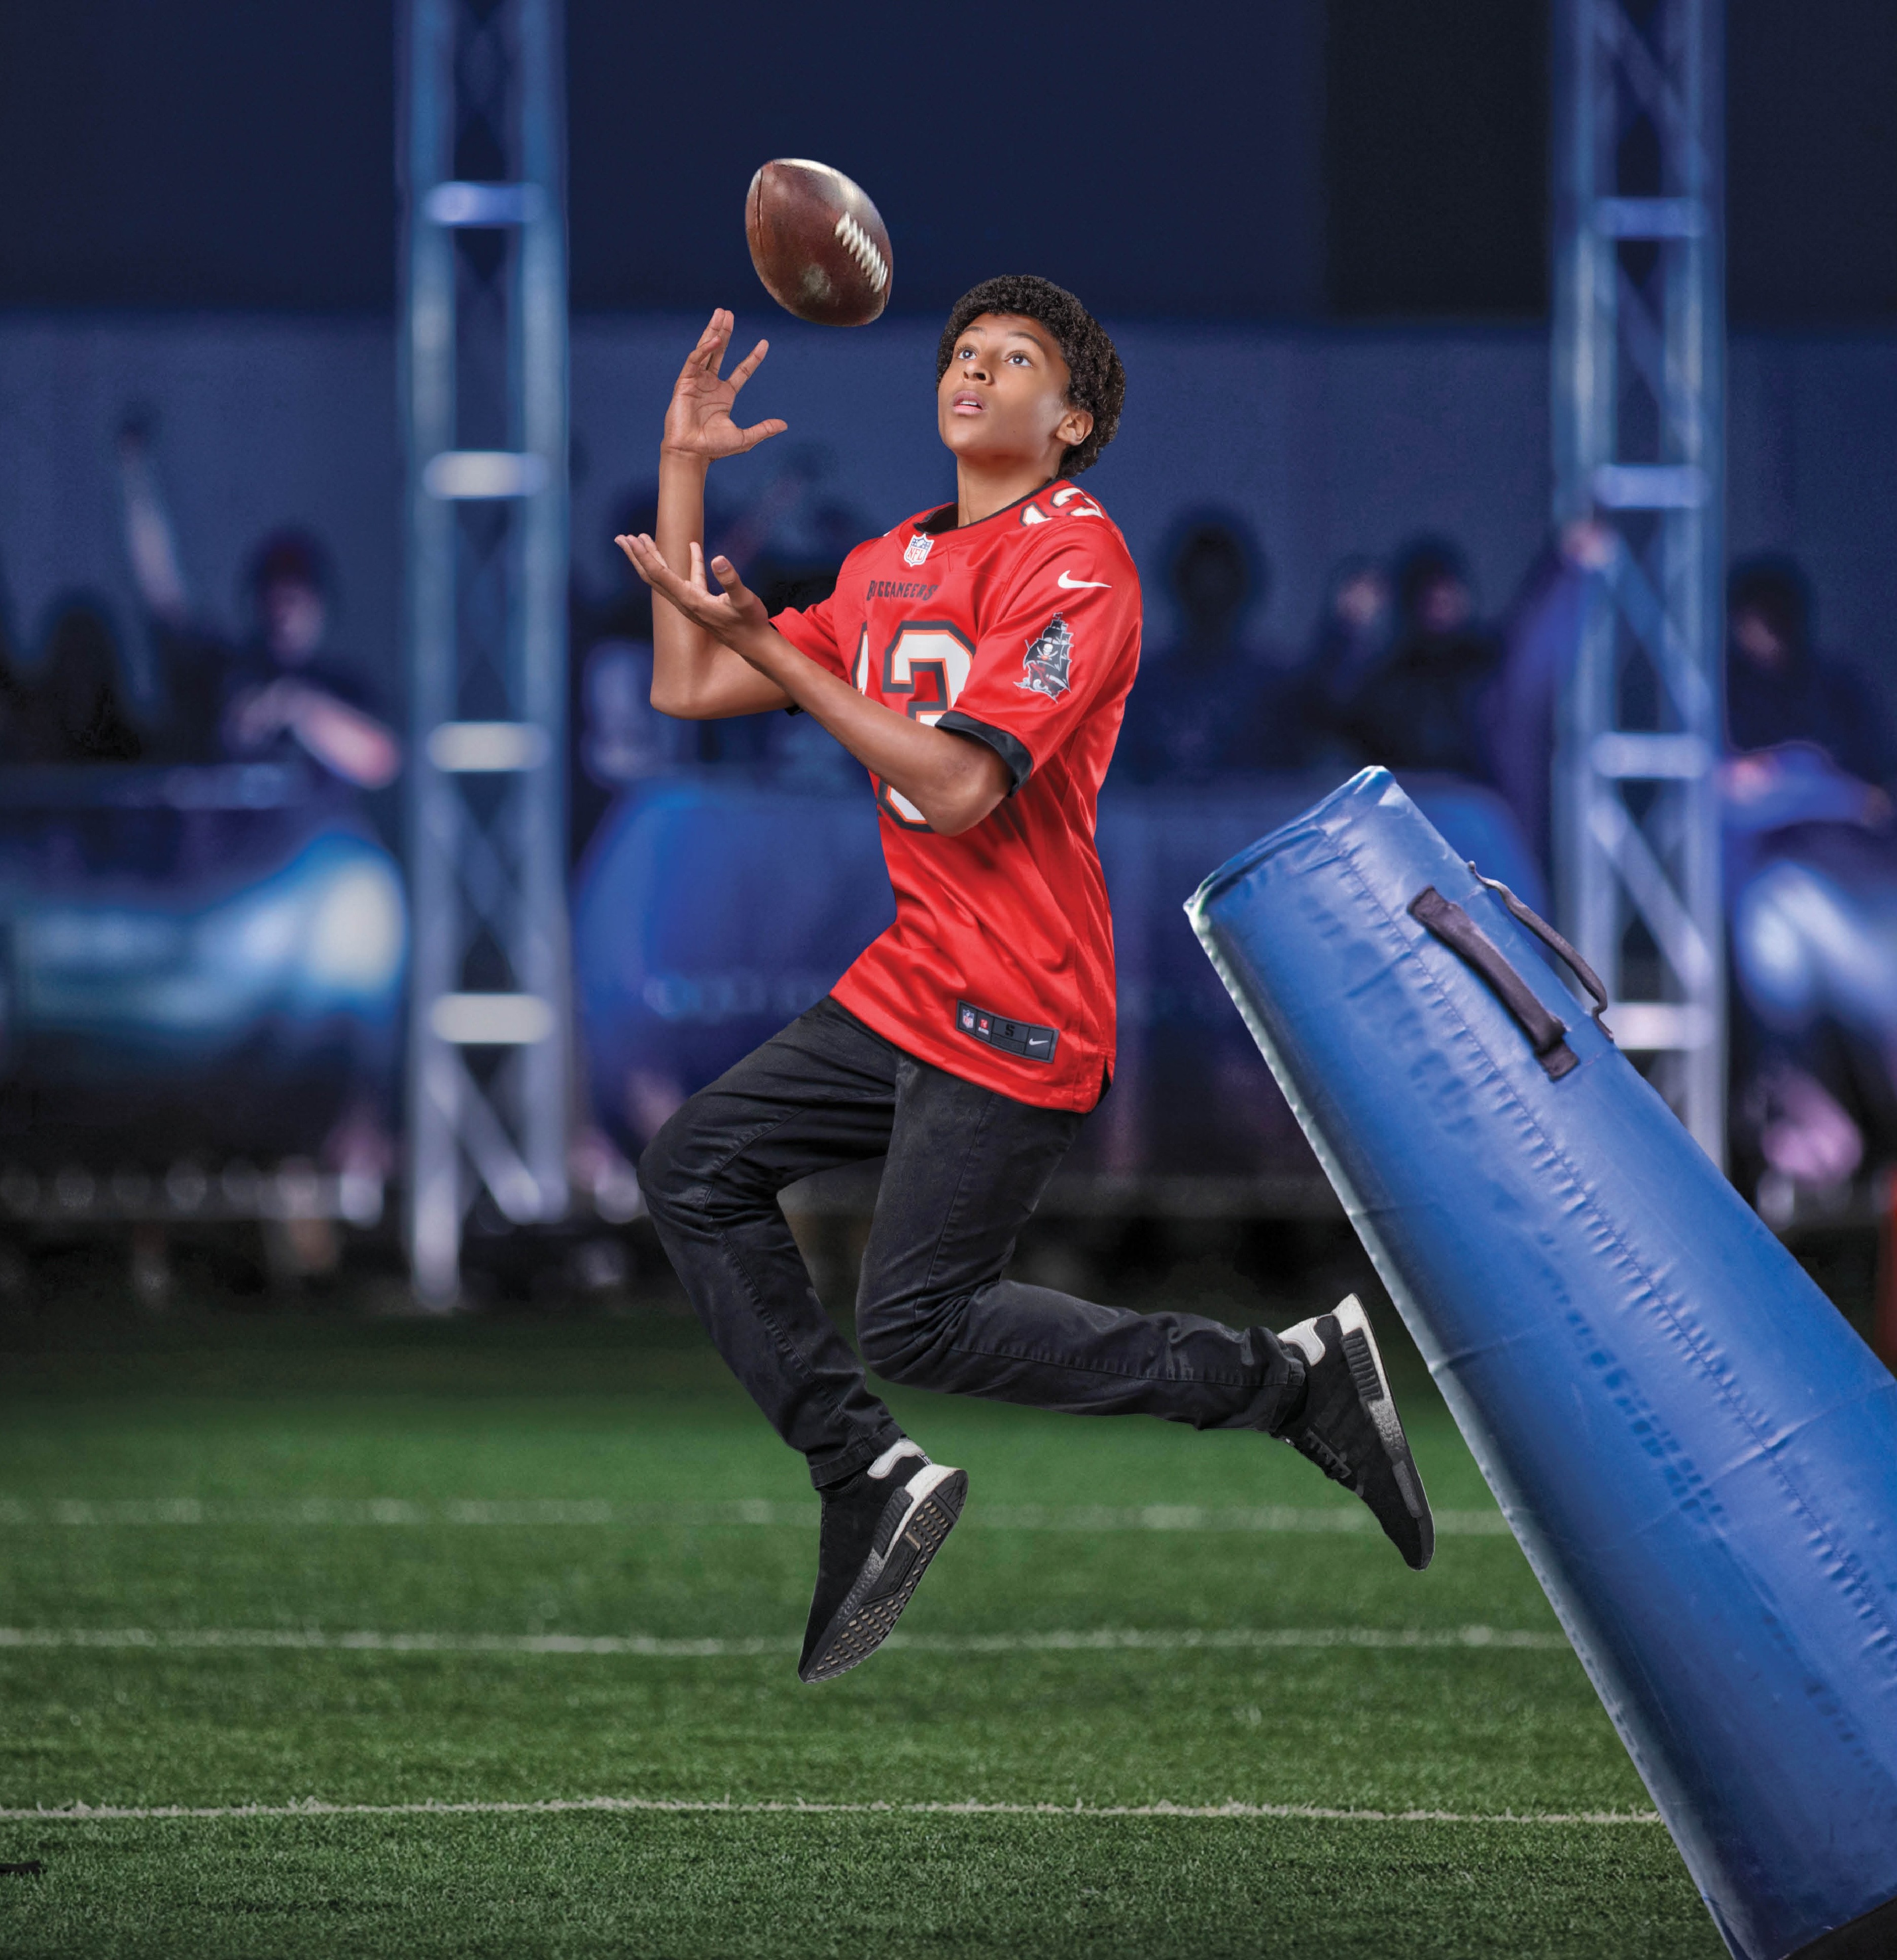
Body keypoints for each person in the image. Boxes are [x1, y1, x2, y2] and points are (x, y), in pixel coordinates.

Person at [614, 280, 1434, 1687]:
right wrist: (685, 459)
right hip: (911, 981)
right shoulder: (886, 565)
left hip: (1019, 992)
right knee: (696, 1165)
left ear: (1073, 422)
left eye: (1015, 360)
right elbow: (689, 684)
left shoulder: (1078, 562)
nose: (974, 369)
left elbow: (954, 787)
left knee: (918, 1319)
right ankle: (865, 1472)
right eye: (962, 352)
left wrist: (770, 649)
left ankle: (1291, 1383)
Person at [117, 423, 400, 790]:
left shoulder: (341, 686)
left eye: (296, 597)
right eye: (274, 594)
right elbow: (163, 592)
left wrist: (296, 707)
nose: (283, 610)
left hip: (314, 840)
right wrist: (135, 479)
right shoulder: (221, 667)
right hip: (220, 838)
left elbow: (380, 759)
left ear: (322, 606)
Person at [1114, 514, 1294, 782]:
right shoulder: (1139, 686)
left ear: (1241, 590)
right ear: (1180, 588)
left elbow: (1293, 778)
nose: (1209, 595)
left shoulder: (1276, 688)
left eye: (1219, 589)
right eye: (1200, 589)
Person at [1334, 537, 1498, 780]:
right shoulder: (1386, 683)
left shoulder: (1492, 669)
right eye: (1431, 600)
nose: (1441, 609)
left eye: (1448, 597)